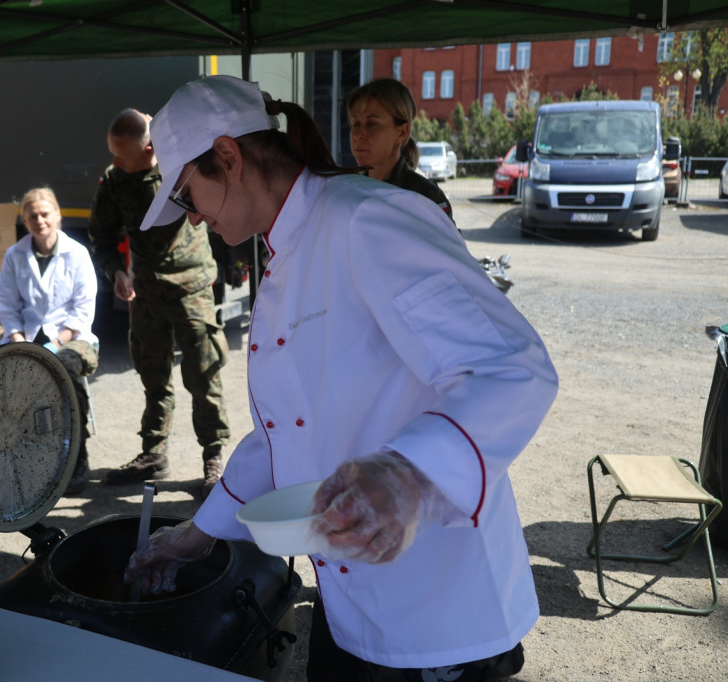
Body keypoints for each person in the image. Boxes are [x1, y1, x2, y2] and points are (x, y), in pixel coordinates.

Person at [123, 75, 559, 681]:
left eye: (189, 196)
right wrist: (198, 533)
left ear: (227, 157)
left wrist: (410, 475)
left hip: (438, 607)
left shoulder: (366, 220)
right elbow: (290, 432)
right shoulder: (285, 252)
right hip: (352, 594)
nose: (193, 220)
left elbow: (512, 368)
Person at [88, 108, 231, 493]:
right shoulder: (115, 181)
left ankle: (213, 457)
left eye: (122, 154)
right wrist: (116, 271)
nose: (115, 161)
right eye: (113, 153)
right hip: (146, 291)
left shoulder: (183, 167)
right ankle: (154, 452)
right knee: (153, 376)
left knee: (204, 374)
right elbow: (101, 236)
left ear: (150, 148)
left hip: (191, 287)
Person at [0, 187, 99, 495]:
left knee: (65, 373)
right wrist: (16, 341)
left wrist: (54, 346)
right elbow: (8, 307)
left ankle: (77, 459)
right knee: (5, 375)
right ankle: (31, 456)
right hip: (27, 336)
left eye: (45, 214)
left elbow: (82, 311)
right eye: (32, 216)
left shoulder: (77, 254)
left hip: (73, 338)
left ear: (57, 215)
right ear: (25, 221)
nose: (39, 221)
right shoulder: (15, 256)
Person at [347, 78, 455, 223]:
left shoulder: (425, 198)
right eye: (355, 124)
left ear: (402, 132)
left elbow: (448, 245)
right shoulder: (350, 189)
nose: (359, 135)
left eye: (372, 124)